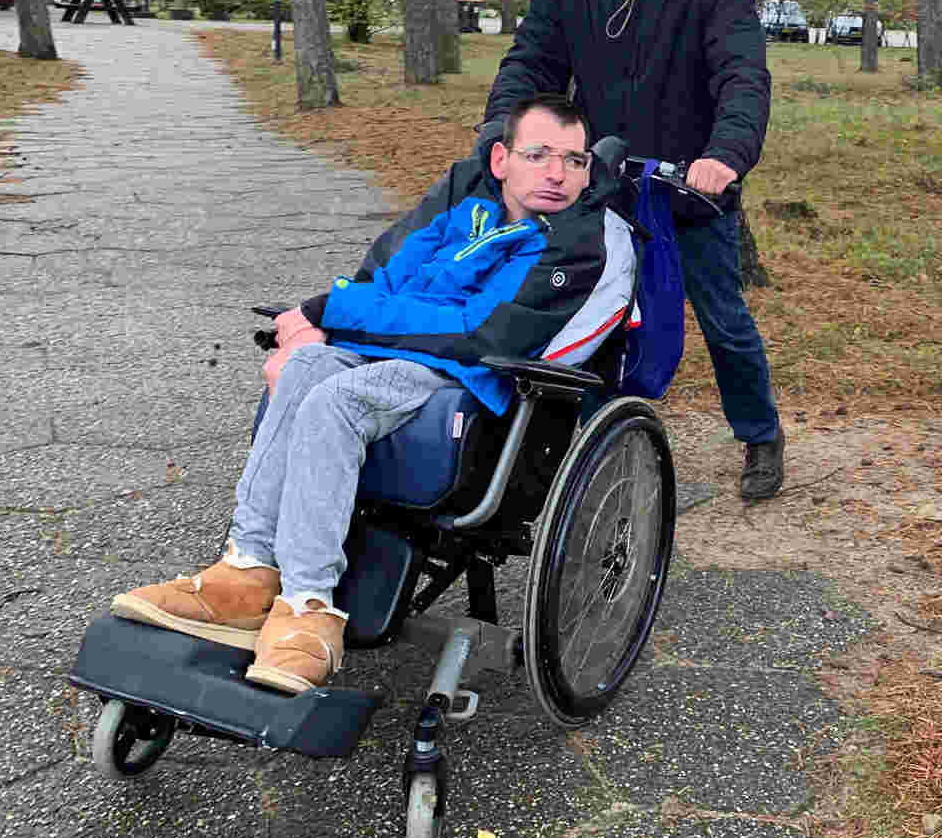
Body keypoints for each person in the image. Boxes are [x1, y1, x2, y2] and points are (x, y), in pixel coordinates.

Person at [110, 95, 634, 693]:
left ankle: (308, 604)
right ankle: (249, 571)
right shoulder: (466, 209)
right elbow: (384, 279)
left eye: (574, 160)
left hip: (466, 377)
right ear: (501, 160)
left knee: (337, 399)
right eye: (538, 155)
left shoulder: (572, 241)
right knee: (306, 367)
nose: (557, 173)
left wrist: (329, 311)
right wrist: (325, 324)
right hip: (402, 350)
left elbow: (478, 332)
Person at [486, 0, 787, 502]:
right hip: (596, 187)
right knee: (590, 313)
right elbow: (531, 63)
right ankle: (597, 441)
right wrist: (502, 133)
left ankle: (760, 433)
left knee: (722, 318)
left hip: (688, 189)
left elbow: (743, 78)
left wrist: (724, 156)